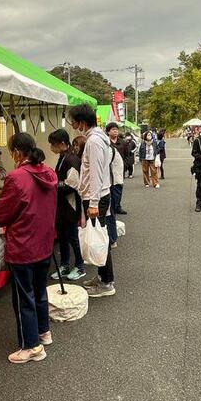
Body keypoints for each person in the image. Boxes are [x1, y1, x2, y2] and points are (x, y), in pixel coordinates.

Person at [0, 133, 58, 361]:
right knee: (39, 290)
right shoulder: (48, 172)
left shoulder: (16, 177)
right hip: (44, 241)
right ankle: (43, 331)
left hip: (23, 245)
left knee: (23, 297)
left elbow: (4, 213)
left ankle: (31, 346)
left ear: (17, 152)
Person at [69, 104, 116, 297]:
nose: (72, 124)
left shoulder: (94, 141)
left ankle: (106, 283)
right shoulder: (96, 139)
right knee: (99, 237)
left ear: (81, 122)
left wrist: (94, 203)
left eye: (73, 121)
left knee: (99, 239)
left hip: (96, 196)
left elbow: (96, 173)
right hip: (96, 194)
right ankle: (103, 277)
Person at [48, 129, 85, 281]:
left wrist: (53, 184)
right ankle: (64, 265)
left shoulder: (71, 159)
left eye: (53, 144)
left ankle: (80, 266)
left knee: (72, 237)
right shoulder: (63, 157)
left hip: (70, 204)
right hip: (61, 205)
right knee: (62, 236)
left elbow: (72, 184)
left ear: (62, 143)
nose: (52, 147)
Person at [105, 122, 124, 247]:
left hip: (114, 182)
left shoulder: (110, 148)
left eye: (116, 129)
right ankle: (111, 238)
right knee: (110, 212)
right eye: (113, 129)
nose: (115, 131)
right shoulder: (108, 146)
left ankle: (112, 239)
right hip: (113, 181)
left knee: (110, 212)